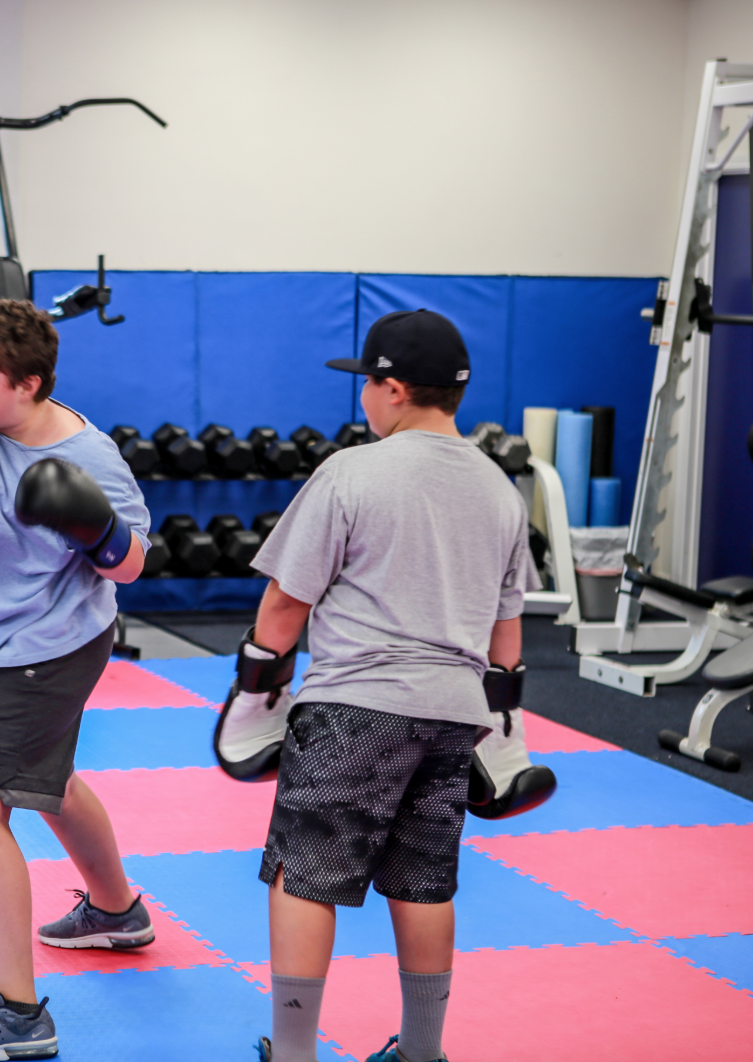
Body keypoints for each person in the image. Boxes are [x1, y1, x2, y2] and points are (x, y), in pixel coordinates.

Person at [227, 310, 533, 1062]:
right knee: (424, 882)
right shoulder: (500, 490)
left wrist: (254, 697)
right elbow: (508, 632)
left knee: (305, 876)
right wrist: (505, 729)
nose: (364, 398)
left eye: (368, 384)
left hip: (354, 710)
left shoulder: (352, 472)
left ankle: (294, 1052)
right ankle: (423, 1052)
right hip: (454, 716)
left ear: (392, 388)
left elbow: (284, 603)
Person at [0, 299, 152, 1062]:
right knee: (47, 778)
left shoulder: (92, 458)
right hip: (1, 633)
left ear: (31, 385)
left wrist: (95, 528)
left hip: (51, 643)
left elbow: (137, 563)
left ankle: (17, 1012)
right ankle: (117, 910)